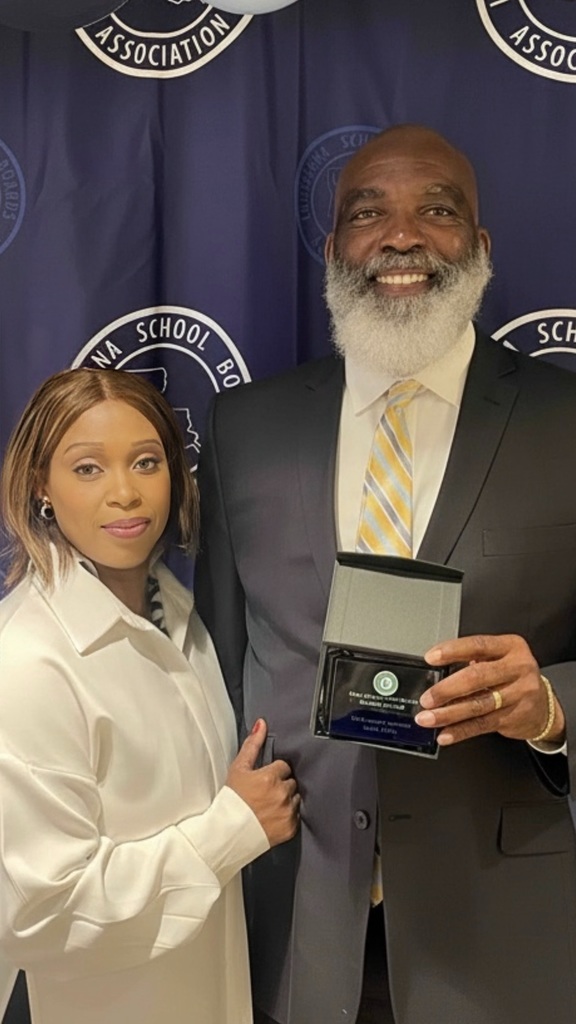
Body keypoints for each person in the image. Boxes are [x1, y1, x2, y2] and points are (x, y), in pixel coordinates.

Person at [194, 123, 576, 1024]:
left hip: (502, 934)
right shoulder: (247, 426)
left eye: (435, 211)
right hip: (292, 922)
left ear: (479, 246)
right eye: (368, 214)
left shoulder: (567, 424)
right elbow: (218, 662)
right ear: (332, 248)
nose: (400, 237)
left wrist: (553, 707)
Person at [0, 367, 300, 1024]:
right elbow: (43, 913)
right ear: (39, 489)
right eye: (88, 469)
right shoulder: (25, 662)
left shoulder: (184, 622)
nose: (126, 493)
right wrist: (232, 830)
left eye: (146, 461)